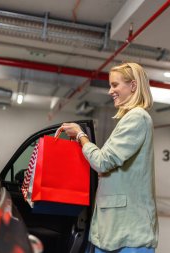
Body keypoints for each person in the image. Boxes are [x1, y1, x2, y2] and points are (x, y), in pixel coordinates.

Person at [60, 62, 158, 253]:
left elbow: (102, 162)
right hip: (119, 230)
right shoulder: (130, 118)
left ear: (133, 86)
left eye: (115, 85)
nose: (110, 91)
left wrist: (81, 136)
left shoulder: (137, 117)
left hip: (128, 233)